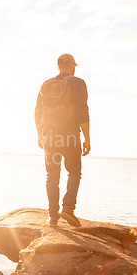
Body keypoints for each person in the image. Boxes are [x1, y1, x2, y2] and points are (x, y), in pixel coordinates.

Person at [34, 54, 90, 227]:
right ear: (72, 65)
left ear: (58, 66)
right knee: (74, 172)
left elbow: (37, 112)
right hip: (70, 135)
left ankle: (52, 217)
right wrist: (87, 139)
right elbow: (82, 111)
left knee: (52, 176)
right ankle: (68, 208)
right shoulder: (78, 83)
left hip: (50, 136)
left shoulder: (46, 84)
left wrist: (40, 135)